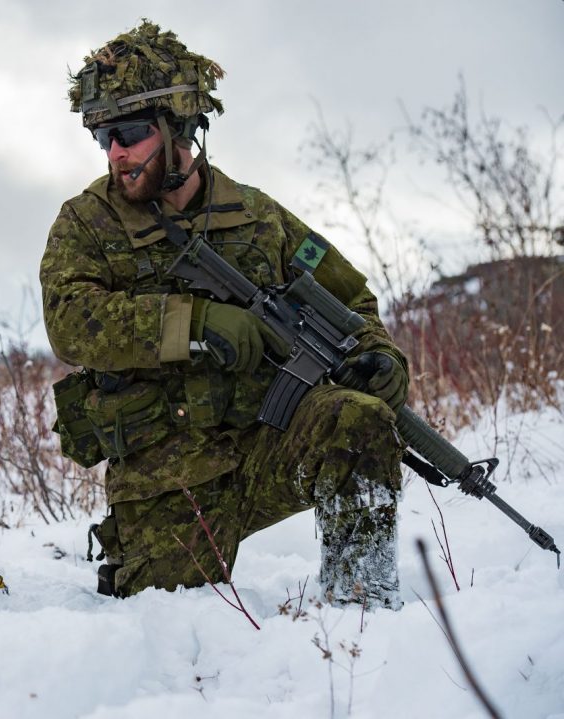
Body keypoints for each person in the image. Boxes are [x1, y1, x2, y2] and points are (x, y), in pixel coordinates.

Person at [41, 21, 407, 608]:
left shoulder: (258, 216)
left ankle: (362, 606)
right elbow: (70, 320)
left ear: (177, 129)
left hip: (265, 444)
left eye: (130, 133)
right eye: (103, 138)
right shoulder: (87, 223)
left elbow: (350, 300)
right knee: (172, 619)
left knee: (356, 418)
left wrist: (378, 353)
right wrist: (195, 325)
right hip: (166, 472)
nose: (116, 152)